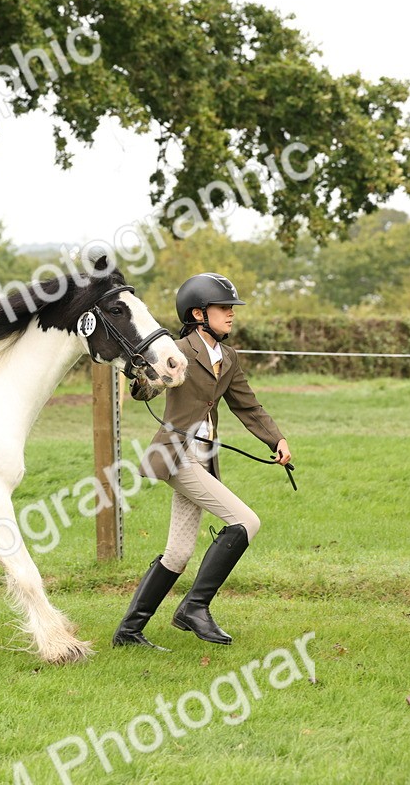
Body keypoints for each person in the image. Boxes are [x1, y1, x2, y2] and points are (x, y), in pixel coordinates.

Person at [112, 273, 292, 651]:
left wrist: (276, 439)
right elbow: (145, 386)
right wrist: (145, 379)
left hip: (203, 457)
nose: (231, 315)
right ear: (198, 313)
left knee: (178, 553)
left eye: (231, 309)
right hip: (176, 457)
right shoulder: (176, 350)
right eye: (224, 308)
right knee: (246, 521)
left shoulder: (227, 357)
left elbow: (248, 405)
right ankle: (194, 607)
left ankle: (128, 632)